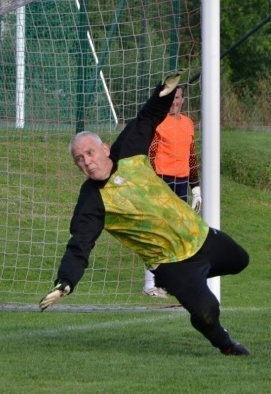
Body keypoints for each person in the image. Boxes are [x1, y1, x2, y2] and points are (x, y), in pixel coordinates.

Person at [39, 73, 251, 356]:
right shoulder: (91, 201)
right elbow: (80, 244)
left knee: (240, 259)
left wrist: (162, 91)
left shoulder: (128, 150)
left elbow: (148, 116)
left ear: (104, 148)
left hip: (198, 235)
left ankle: (192, 284)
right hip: (171, 263)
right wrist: (66, 281)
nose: (87, 162)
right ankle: (224, 343)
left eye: (90, 153)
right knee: (208, 311)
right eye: (79, 159)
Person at [142, 84, 201, 298]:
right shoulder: (159, 123)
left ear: (183, 100)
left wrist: (196, 188)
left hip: (182, 182)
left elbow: (191, 156)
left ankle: (169, 281)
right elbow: (150, 155)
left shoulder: (188, 123)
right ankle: (150, 284)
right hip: (161, 180)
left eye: (178, 98)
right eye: (171, 98)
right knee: (158, 230)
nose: (174, 102)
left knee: (177, 232)